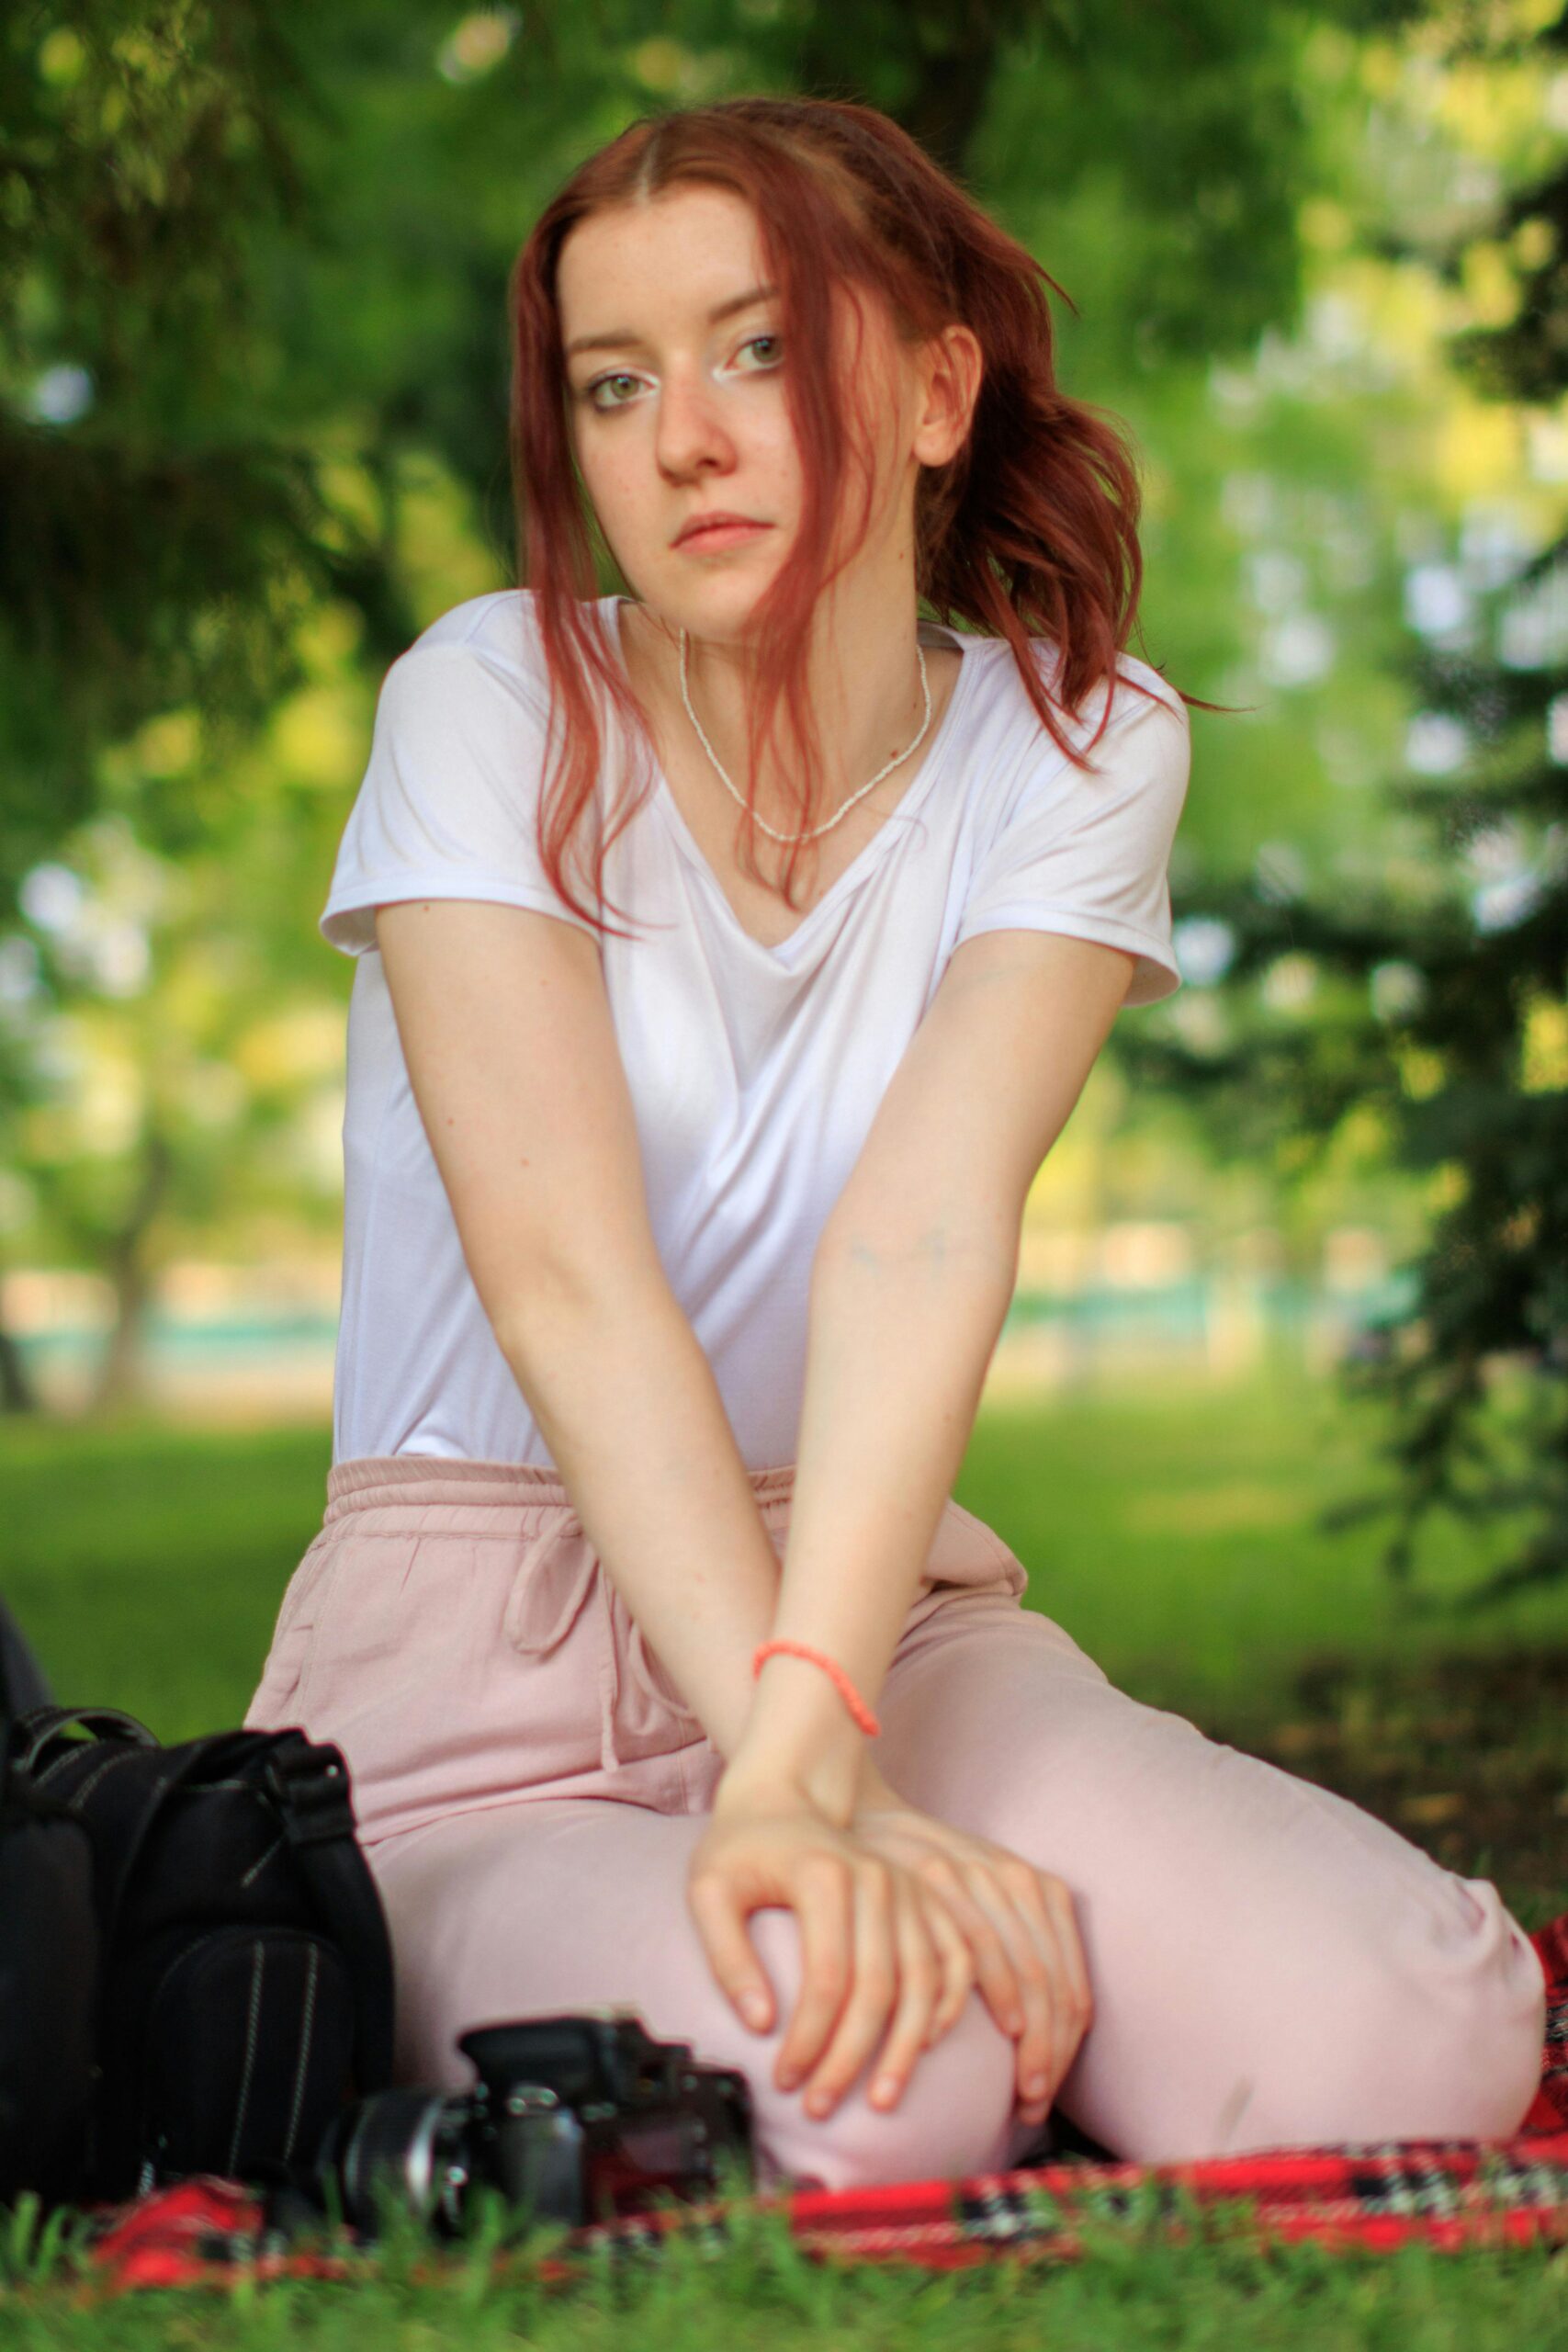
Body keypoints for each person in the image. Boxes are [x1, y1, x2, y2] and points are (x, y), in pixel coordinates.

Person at [243, 96, 1547, 2195]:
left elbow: (920, 1233)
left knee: (1411, 2030)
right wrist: (800, 1784)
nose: (683, 438)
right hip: (489, 1667)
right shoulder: (486, 700)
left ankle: (970, 1929)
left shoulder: (1076, 739)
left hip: (873, 1609)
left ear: (936, 392)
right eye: (613, 383)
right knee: (886, 2079)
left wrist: (810, 1734)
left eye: (757, 349)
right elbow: (566, 1277)